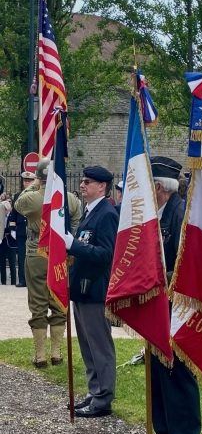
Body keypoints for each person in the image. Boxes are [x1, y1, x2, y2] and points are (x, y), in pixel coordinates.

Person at [137, 156, 202, 434]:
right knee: (159, 376)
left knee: (177, 376)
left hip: (176, 311)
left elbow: (189, 267)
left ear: (159, 187)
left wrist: (154, 277)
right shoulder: (159, 215)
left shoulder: (180, 215)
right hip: (157, 309)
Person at [14, 159, 81, 368]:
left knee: (38, 303)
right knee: (59, 300)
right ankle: (56, 353)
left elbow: (19, 203)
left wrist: (36, 183)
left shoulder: (33, 197)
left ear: (39, 177)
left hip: (36, 252)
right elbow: (76, 225)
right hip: (60, 253)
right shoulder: (70, 199)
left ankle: (40, 355)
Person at [66, 166, 119, 418]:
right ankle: (94, 391)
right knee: (87, 345)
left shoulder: (107, 214)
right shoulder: (90, 212)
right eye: (83, 180)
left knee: (100, 345)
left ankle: (103, 397)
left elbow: (107, 254)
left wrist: (73, 245)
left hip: (96, 288)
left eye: (88, 182)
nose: (83, 185)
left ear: (102, 187)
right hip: (83, 288)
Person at [10, 172, 36, 287]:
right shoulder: (18, 195)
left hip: (34, 229)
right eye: (25, 181)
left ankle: (33, 280)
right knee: (22, 256)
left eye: (29, 181)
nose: (26, 183)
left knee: (34, 256)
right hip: (21, 230)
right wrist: (12, 227)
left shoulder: (37, 194)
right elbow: (14, 212)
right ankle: (22, 279)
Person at [0, 200, 17, 285]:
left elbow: (12, 228)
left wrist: (5, 231)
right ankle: (3, 282)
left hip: (11, 243)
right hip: (2, 242)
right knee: (2, 263)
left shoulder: (12, 216)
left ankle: (13, 282)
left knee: (12, 264)